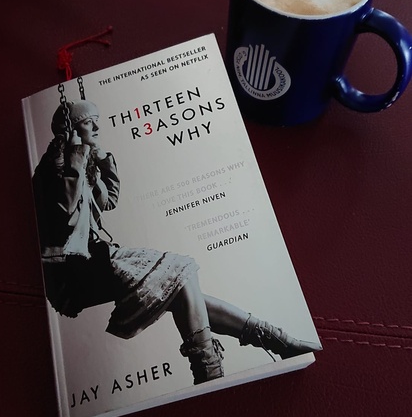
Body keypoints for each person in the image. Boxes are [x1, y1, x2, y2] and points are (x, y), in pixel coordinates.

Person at [33, 99, 321, 385]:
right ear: (70, 130)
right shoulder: (52, 166)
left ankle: (270, 343)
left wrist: (100, 157)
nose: (97, 127)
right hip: (69, 271)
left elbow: (109, 200)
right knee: (180, 272)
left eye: (97, 121)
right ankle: (224, 364)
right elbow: (67, 212)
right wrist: (78, 156)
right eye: (88, 123)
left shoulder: (81, 161)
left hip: (93, 257)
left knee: (181, 283)